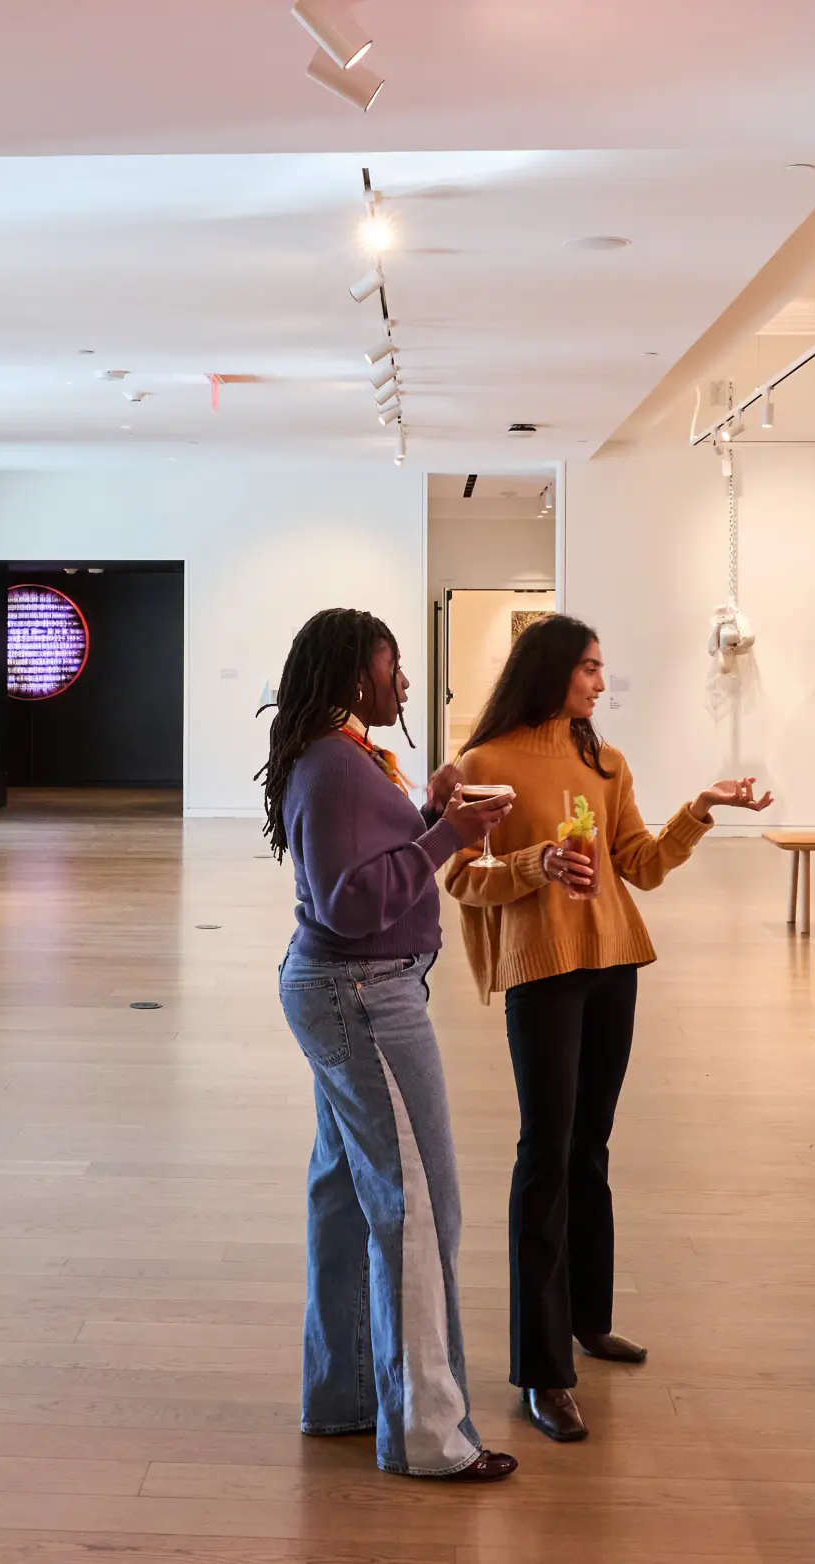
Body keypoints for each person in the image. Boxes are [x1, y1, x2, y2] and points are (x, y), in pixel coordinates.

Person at [444, 615, 772, 1443]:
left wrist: (698, 809)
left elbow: (644, 867)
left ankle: (589, 1320)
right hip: (543, 975)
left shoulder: (605, 761)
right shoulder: (483, 767)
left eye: (600, 668)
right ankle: (543, 1371)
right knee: (544, 1157)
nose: (599, 682)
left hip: (614, 966)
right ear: (550, 671)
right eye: (588, 668)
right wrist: (536, 864)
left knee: (591, 1147)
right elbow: (460, 878)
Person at [260, 607, 520, 1482]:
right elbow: (348, 901)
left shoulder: (339, 754)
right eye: (390, 665)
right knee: (416, 1204)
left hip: (347, 988)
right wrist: (452, 833)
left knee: (345, 1195)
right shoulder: (335, 765)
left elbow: (365, 858)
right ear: (350, 675)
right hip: (364, 993)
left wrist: (428, 806)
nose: (403, 681)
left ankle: (344, 1395)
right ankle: (427, 1436)